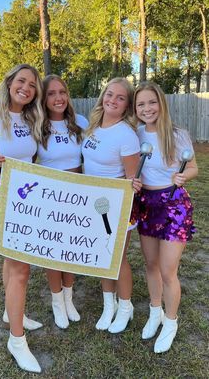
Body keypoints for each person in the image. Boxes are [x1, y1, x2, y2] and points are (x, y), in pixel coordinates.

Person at [0, 64, 45, 373]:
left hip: (28, 194)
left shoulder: (32, 118)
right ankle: (17, 340)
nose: (26, 88)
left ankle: (9, 312)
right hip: (2, 193)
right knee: (20, 269)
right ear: (10, 82)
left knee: (12, 262)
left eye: (32, 85)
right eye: (21, 81)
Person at [133, 81, 198, 353]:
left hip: (173, 204)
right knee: (150, 264)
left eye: (151, 102)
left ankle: (171, 322)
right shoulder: (134, 135)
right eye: (141, 104)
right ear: (135, 109)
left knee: (168, 270)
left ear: (161, 103)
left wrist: (185, 175)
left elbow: (193, 167)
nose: (147, 108)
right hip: (147, 203)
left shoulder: (177, 134)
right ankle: (155, 311)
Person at [82, 77, 141, 333]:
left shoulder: (126, 135)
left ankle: (126, 307)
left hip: (117, 205)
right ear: (102, 95)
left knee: (117, 258)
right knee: (102, 256)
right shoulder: (94, 125)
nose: (112, 101)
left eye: (120, 98)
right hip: (94, 203)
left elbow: (131, 180)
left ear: (127, 105)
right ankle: (109, 305)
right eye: (109, 94)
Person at [37, 74, 89, 329]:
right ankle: (57, 302)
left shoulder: (80, 122)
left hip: (77, 197)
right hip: (50, 198)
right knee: (53, 252)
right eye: (51, 93)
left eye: (62, 92)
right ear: (43, 98)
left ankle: (69, 299)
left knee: (70, 250)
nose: (58, 98)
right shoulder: (37, 125)